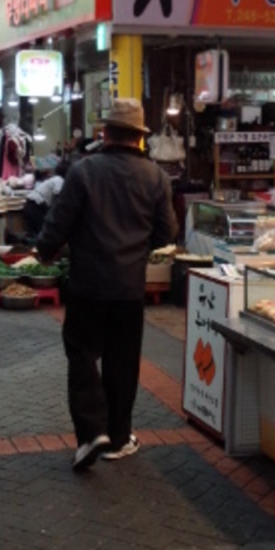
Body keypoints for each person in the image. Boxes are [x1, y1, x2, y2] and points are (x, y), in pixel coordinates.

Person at [36, 98, 177, 472]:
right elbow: (167, 233)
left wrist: (45, 251)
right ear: (139, 137)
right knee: (122, 361)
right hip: (129, 288)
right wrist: (136, 249)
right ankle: (117, 437)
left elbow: (59, 221)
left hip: (87, 284)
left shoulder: (84, 171)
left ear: (106, 132)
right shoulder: (156, 177)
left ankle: (91, 432)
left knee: (82, 354)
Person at [22, 161, 68, 240]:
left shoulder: (54, 179)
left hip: (31, 204)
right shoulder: (59, 181)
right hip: (35, 207)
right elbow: (57, 199)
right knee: (43, 234)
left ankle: (22, 241)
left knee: (35, 233)